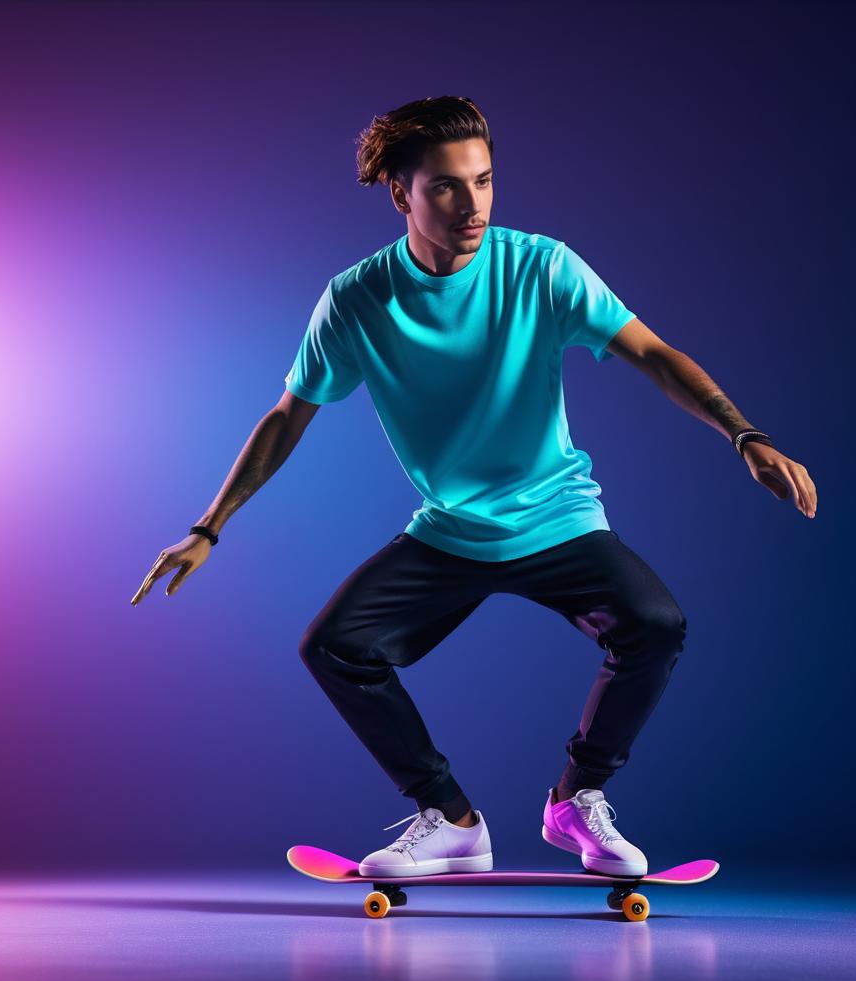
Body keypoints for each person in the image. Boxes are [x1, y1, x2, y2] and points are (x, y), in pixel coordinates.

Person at [132, 96, 817, 880]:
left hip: (557, 518)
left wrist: (745, 434)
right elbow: (288, 416)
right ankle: (451, 819)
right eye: (448, 188)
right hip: (449, 530)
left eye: (484, 181)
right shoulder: (357, 300)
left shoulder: (541, 267)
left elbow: (653, 353)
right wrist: (208, 526)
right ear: (402, 194)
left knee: (655, 626)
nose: (473, 205)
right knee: (334, 649)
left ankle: (576, 800)